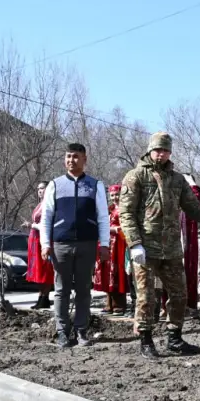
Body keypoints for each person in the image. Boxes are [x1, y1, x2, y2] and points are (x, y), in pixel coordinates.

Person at [119, 132, 200, 357]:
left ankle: (174, 337)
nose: (162, 154)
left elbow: (193, 207)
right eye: (158, 150)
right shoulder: (135, 176)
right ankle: (146, 339)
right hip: (145, 248)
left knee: (179, 293)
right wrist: (135, 243)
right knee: (146, 296)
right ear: (150, 150)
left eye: (166, 150)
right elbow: (125, 213)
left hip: (172, 248)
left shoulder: (178, 179)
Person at [40, 143, 110, 348]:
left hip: (87, 244)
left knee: (83, 290)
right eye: (69, 156)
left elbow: (103, 217)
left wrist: (104, 244)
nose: (72, 160)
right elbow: (47, 217)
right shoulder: (55, 184)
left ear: (85, 159)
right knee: (61, 289)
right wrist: (46, 244)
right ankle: (62, 331)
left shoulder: (95, 185)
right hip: (60, 244)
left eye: (76, 157)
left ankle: (81, 330)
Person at [160, 174, 200, 318]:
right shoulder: (166, 193)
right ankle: (165, 307)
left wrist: (192, 183)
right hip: (167, 241)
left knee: (187, 273)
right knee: (167, 275)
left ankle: (188, 306)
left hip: (185, 243)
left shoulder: (189, 200)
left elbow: (199, 201)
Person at [94, 184, 128, 316]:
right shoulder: (109, 209)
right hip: (107, 244)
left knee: (117, 272)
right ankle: (108, 302)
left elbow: (126, 227)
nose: (115, 197)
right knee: (107, 272)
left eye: (117, 194)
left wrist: (114, 229)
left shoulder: (125, 209)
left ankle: (119, 304)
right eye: (112, 195)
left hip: (119, 243)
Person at [25, 181, 54, 310]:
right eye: (38, 189)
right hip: (35, 240)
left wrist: (31, 225)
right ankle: (41, 297)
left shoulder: (50, 204)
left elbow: (46, 225)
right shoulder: (40, 204)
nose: (40, 191)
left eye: (42, 188)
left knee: (45, 269)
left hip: (43, 239)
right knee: (38, 270)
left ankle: (45, 297)